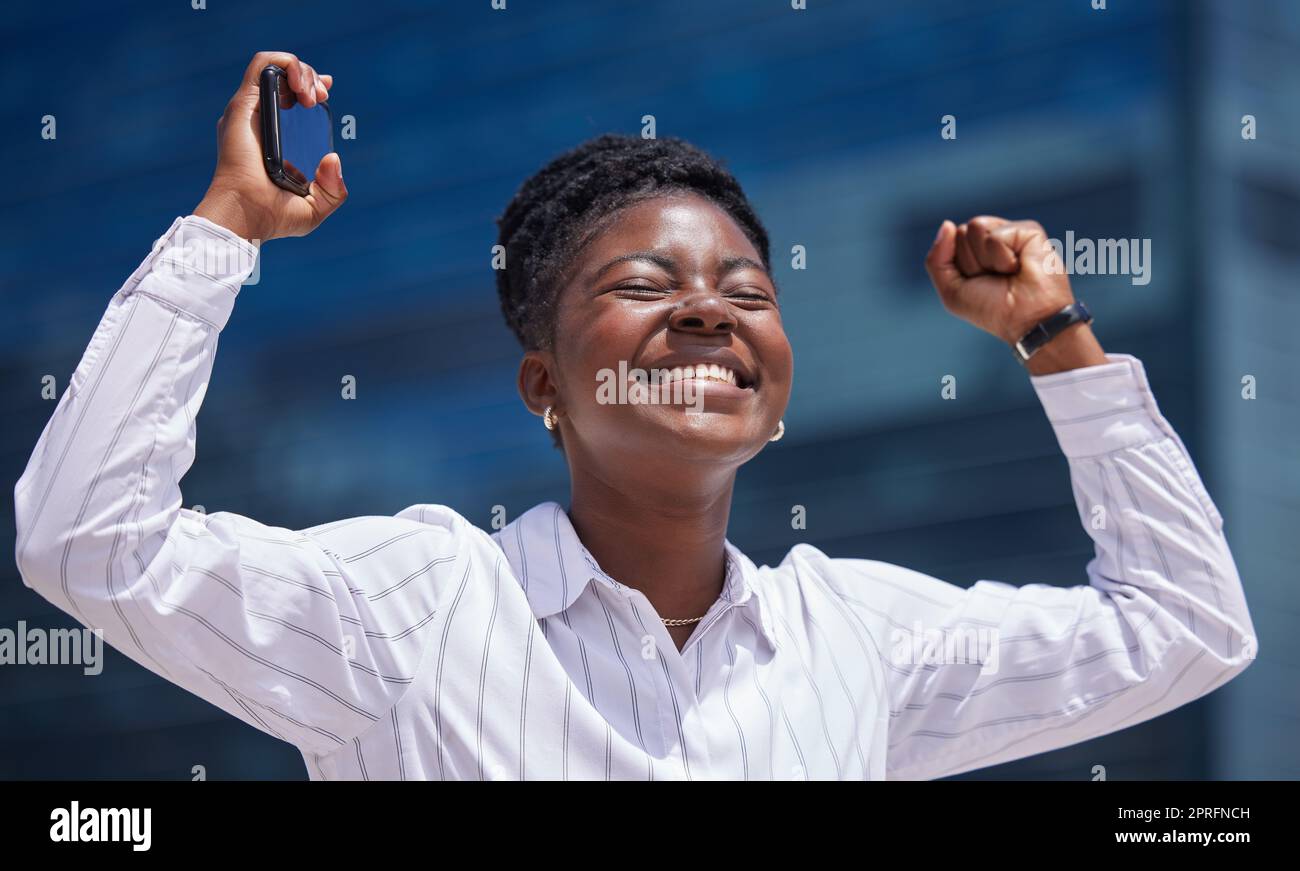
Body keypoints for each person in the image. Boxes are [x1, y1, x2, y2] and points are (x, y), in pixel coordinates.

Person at [13, 52, 1255, 780]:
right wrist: (227, 227)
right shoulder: (411, 605)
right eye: (645, 289)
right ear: (544, 384)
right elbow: (89, 543)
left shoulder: (861, 639)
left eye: (745, 294)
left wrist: (1055, 339)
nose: (707, 316)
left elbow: (1189, 630)